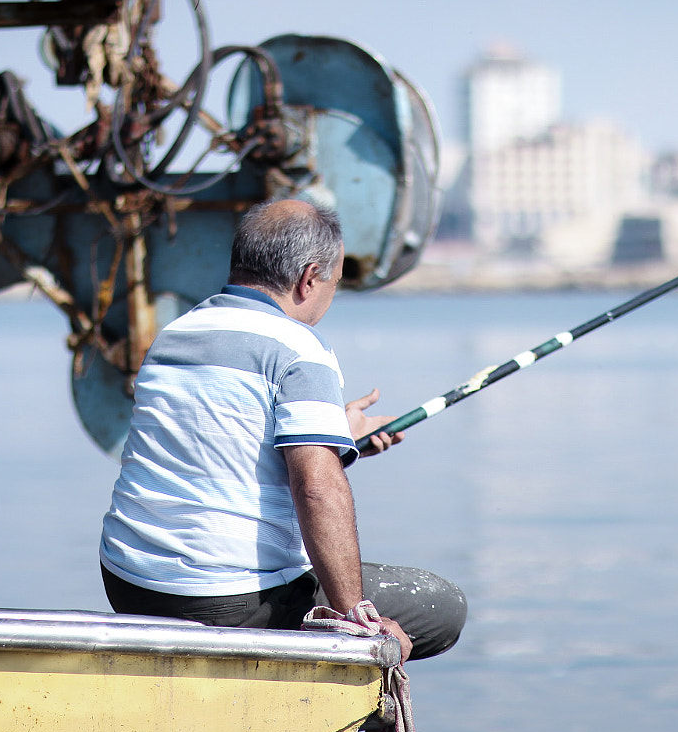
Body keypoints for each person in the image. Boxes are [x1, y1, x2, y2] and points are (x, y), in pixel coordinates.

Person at [98, 199, 464, 661]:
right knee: (441, 607)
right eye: (335, 280)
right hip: (221, 600)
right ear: (309, 278)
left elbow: (221, 437)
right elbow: (315, 487)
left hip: (131, 583)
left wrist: (336, 434)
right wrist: (354, 615)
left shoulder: (174, 334)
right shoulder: (298, 347)